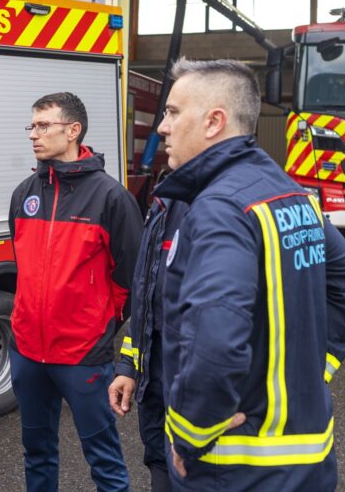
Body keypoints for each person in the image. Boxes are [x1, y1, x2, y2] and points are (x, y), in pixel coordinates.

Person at [151, 58, 345, 491]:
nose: (161, 126)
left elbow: (216, 336)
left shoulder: (220, 208)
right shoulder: (288, 191)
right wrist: (315, 367)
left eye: (173, 112)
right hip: (310, 459)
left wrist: (190, 435)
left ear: (214, 121)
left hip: (236, 470)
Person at [8, 92, 142, 492]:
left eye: (43, 125)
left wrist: (97, 324)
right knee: (37, 452)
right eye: (32, 125)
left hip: (82, 355)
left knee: (103, 459)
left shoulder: (110, 197)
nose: (34, 134)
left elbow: (131, 280)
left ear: (73, 130)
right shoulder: (24, 194)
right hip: (28, 352)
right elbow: (24, 267)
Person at [108, 196, 188, 492]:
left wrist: (311, 369)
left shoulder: (235, 199)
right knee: (160, 467)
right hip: (157, 393)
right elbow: (146, 301)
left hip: (201, 406)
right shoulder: (165, 200)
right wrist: (128, 365)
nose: (166, 145)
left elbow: (341, 278)